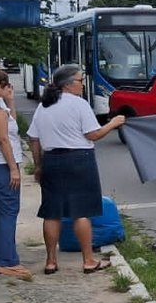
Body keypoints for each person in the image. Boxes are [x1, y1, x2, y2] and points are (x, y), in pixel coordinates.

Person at [27, 65, 125, 274]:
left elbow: (33, 138)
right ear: (69, 83)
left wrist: (38, 165)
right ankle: (88, 260)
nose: (82, 84)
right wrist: (113, 123)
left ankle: (51, 261)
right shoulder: (79, 104)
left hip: (51, 160)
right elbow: (93, 135)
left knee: (52, 212)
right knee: (81, 212)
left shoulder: (44, 106)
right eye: (81, 80)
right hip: (79, 159)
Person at [0, 71, 28, 278]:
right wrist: (13, 168)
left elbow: (11, 125)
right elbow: (3, 139)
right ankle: (7, 261)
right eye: (6, 85)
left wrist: (10, 101)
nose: (9, 88)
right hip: (1, 166)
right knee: (8, 212)